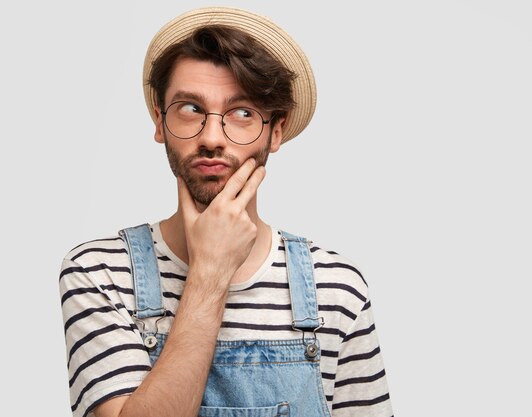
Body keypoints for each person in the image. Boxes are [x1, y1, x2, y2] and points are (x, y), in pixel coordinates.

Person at [59, 6, 393, 417]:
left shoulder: (336, 289)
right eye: (191, 109)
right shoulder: (100, 272)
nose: (213, 137)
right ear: (160, 123)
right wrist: (209, 272)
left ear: (275, 132)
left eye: (242, 113)